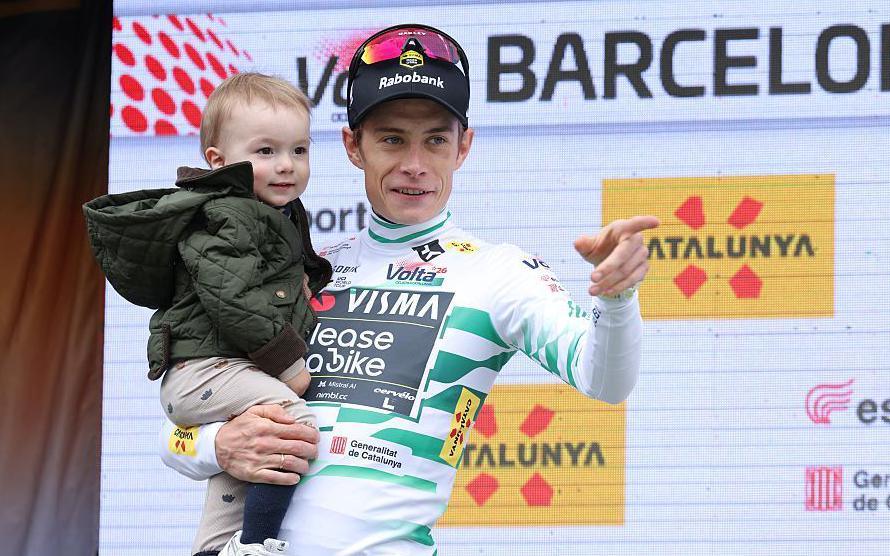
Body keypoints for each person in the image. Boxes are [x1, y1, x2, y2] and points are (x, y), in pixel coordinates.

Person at [159, 24, 658, 556]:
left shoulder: (497, 274)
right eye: (392, 139)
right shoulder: (302, 273)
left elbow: (605, 380)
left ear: (464, 146)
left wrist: (617, 299)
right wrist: (220, 444)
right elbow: (175, 441)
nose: (414, 165)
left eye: (436, 140)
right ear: (354, 146)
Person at [84, 73, 333, 555]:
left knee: (244, 466)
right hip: (204, 371)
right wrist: (288, 364)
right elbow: (233, 297)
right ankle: (259, 544)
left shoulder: (274, 211)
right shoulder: (226, 214)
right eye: (266, 152)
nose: (286, 166)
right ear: (218, 161)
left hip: (217, 370)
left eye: (299, 150)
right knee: (288, 421)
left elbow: (279, 281)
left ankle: (215, 548)